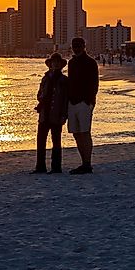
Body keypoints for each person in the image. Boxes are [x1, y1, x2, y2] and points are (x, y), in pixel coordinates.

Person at [66, 37, 99, 174]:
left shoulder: (91, 62)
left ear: (84, 46)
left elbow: (94, 83)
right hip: (72, 102)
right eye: (74, 46)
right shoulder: (71, 63)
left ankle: (87, 163)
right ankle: (84, 162)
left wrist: (90, 101)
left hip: (85, 103)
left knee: (85, 133)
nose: (76, 48)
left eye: (79, 46)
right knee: (76, 133)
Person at [34, 52, 69, 174]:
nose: (55, 65)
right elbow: (39, 93)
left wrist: (64, 115)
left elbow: (65, 100)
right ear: (50, 64)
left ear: (60, 65)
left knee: (56, 141)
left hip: (57, 114)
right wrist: (41, 99)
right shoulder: (45, 78)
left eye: (57, 63)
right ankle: (40, 167)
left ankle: (56, 167)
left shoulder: (64, 80)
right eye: (53, 63)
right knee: (40, 141)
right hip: (44, 113)